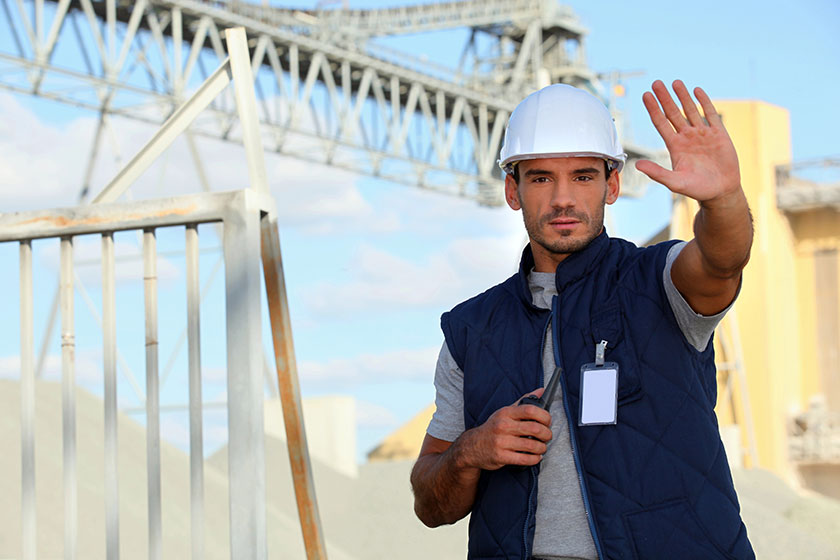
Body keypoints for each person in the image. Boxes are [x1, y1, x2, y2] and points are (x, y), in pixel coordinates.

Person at [409, 80, 756, 560]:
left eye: (584, 177)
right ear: (513, 189)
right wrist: (471, 450)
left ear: (612, 185)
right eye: (541, 178)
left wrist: (723, 201)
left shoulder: (659, 282)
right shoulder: (472, 329)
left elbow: (722, 261)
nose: (563, 199)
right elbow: (431, 505)